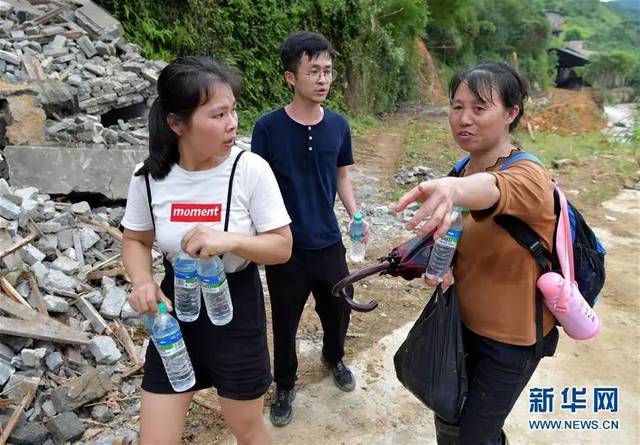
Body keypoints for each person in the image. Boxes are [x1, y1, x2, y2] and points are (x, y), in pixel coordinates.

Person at [121, 56, 292, 445]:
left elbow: (282, 247)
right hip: (173, 315)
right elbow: (135, 239)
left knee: (246, 429)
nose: (232, 123)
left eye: (233, 110)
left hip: (234, 310)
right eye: (217, 114)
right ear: (177, 123)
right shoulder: (149, 177)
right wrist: (143, 280)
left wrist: (229, 240)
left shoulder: (250, 169)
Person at [395, 61, 559, 445]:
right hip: (458, 325)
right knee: (449, 419)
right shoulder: (461, 169)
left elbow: (493, 189)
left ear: (511, 113)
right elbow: (456, 236)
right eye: (456, 107)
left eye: (480, 108)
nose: (464, 119)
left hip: (511, 342)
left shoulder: (529, 176)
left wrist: (453, 191)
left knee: (472, 437)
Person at [251, 31, 367, 427]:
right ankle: (284, 384)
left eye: (328, 71)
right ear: (290, 77)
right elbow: (255, 187)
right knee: (285, 320)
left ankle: (334, 358)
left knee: (338, 310)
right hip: (285, 247)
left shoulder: (338, 125)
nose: (323, 79)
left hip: (329, 242)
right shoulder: (267, 128)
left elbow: (342, 177)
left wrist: (356, 215)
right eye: (313, 71)